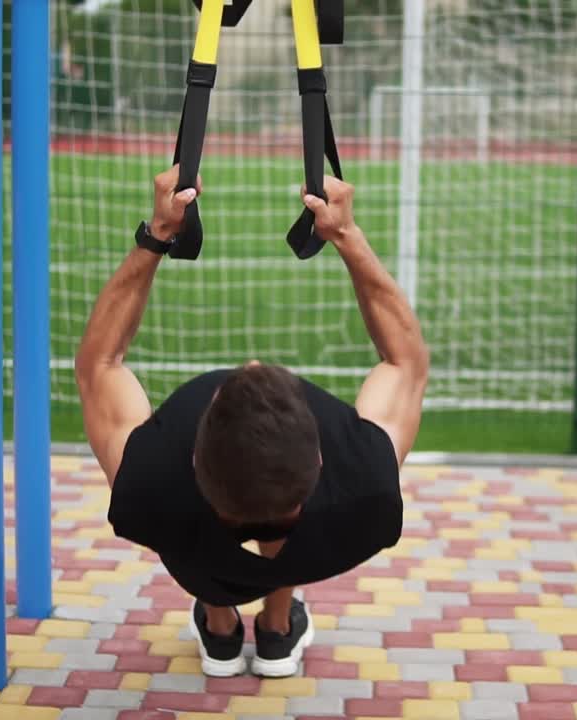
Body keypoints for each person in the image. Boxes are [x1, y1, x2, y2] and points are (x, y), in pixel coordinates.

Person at [75, 165, 430, 678]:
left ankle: (220, 627)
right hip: (310, 524)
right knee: (279, 515)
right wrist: (345, 235)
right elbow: (406, 363)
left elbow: (98, 365)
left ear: (196, 456)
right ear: (321, 456)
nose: (254, 365)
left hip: (190, 517)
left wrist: (157, 235)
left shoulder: (149, 485)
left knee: (190, 525)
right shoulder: (365, 489)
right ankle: (276, 627)